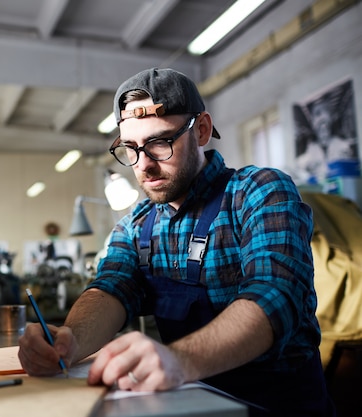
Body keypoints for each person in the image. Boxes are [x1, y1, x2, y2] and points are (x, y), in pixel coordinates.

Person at [18, 68, 334, 416]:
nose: (144, 165)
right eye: (131, 148)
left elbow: (275, 297)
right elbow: (111, 288)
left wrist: (179, 359)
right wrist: (69, 340)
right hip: (195, 406)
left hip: (280, 406)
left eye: (160, 142)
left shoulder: (259, 192)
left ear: (200, 130)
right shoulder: (136, 225)